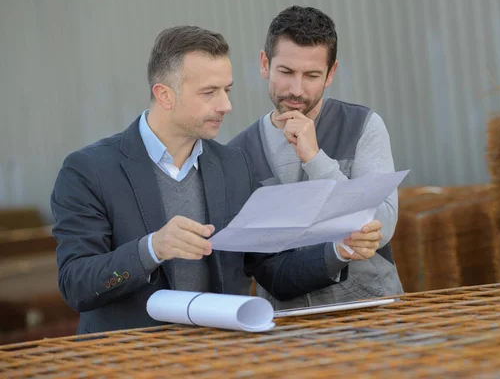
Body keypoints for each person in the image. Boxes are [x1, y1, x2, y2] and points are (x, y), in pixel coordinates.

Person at [51, 25, 384, 334]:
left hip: (218, 359)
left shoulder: (232, 165)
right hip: (129, 361)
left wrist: (340, 249)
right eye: (209, 92)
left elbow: (272, 269)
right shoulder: (88, 170)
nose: (226, 105)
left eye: (227, 89)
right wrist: (151, 249)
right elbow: (76, 285)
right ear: (165, 95)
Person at [229, 6, 403, 310]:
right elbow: (259, 261)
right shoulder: (237, 153)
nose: (297, 89)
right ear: (264, 64)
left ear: (331, 73)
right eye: (285, 72)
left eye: (311, 75)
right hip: (286, 324)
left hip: (371, 312)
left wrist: (315, 159)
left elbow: (381, 226)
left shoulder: (362, 126)